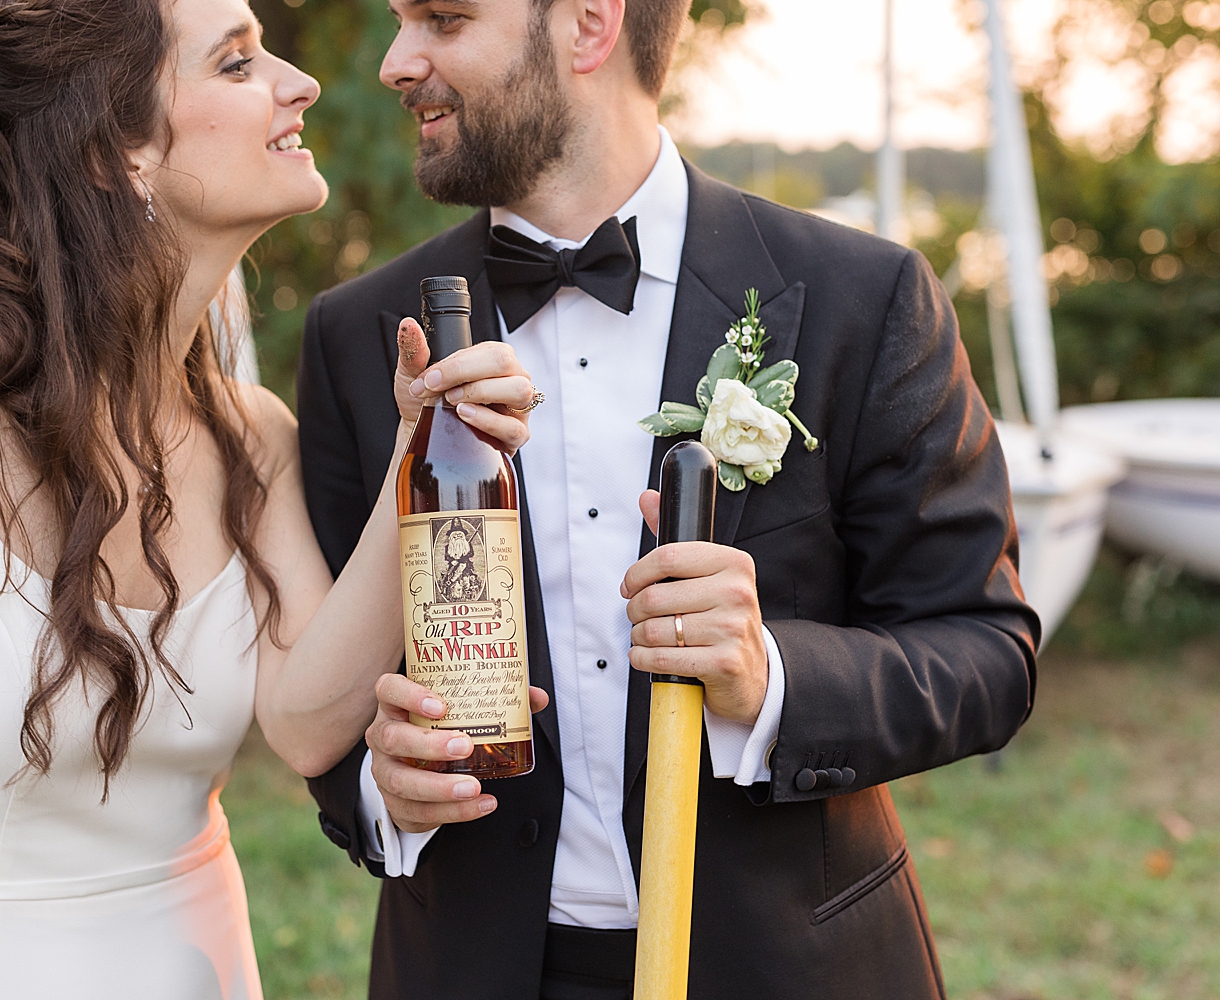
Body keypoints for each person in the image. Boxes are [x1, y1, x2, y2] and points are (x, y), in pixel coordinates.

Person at [0, 0, 536, 996]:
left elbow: (310, 722)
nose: (300, 81)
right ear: (117, 152)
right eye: (237, 64)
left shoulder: (253, 435)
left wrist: (422, 447)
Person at [297, 0, 1040, 997]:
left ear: (589, 27)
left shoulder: (865, 298)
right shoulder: (361, 335)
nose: (397, 61)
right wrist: (380, 790)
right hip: (469, 967)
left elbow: (986, 650)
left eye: (442, 17)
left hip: (794, 967)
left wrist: (769, 676)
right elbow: (326, 705)